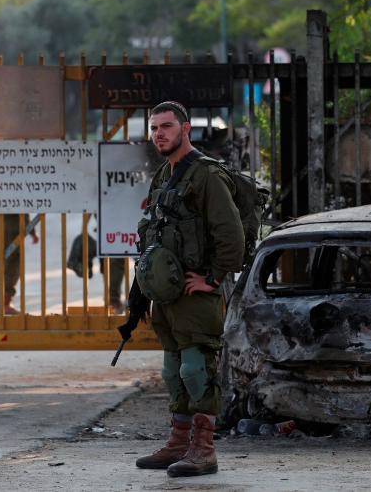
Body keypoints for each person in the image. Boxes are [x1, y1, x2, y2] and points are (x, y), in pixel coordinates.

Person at [128, 101, 244, 478]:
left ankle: (204, 449)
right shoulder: (164, 174)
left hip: (197, 292)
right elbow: (153, 237)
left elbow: (231, 235)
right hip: (169, 295)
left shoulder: (207, 175)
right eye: (154, 128)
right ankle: (178, 443)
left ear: (185, 129)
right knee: (173, 370)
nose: (159, 133)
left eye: (166, 126)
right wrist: (142, 291)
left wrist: (211, 279)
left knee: (197, 369)